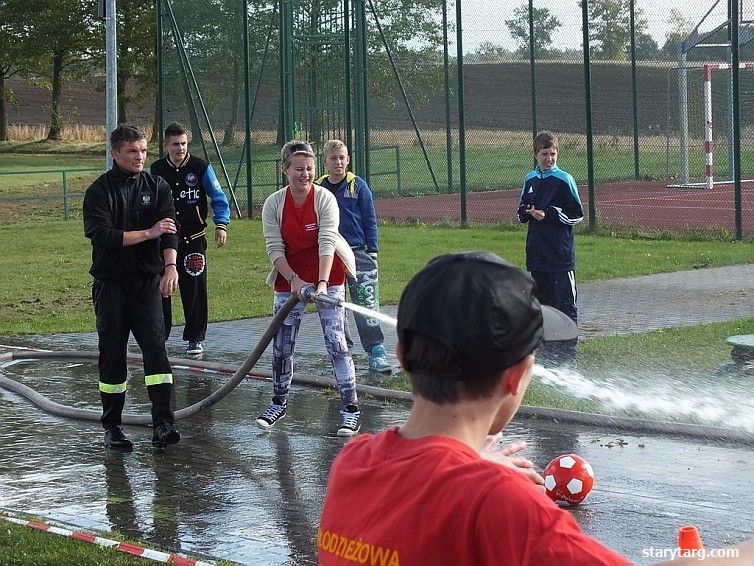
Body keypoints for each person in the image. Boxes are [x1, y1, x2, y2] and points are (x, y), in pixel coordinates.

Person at [318, 251, 631, 565]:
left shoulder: (353, 462)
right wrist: (482, 479)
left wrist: (466, 464)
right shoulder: (504, 505)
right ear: (517, 376)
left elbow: (419, 491)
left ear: (401, 356)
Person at [83, 124, 181, 451]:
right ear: (115, 153)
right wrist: (147, 233)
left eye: (142, 150)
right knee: (113, 356)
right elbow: (104, 237)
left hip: (148, 284)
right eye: (131, 151)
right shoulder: (99, 191)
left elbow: (168, 230)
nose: (139, 157)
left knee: (156, 350)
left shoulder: (158, 187)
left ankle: (163, 424)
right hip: (111, 286)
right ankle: (112, 427)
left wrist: (170, 268)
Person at [256, 140, 360, 436]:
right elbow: (274, 248)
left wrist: (324, 284)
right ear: (285, 170)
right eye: (299, 169)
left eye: (310, 168)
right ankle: (278, 402)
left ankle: (350, 409)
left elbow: (328, 240)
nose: (305, 174)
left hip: (328, 271)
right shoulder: (274, 204)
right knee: (282, 343)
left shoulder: (324, 198)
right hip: (290, 275)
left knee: (336, 342)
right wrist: (294, 281)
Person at [150, 121, 230, 357]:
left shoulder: (201, 167)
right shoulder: (156, 170)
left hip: (193, 238)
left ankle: (195, 338)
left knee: (194, 288)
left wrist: (221, 225)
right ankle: (159, 336)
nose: (180, 149)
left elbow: (218, 197)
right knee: (161, 288)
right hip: (163, 240)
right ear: (166, 145)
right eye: (175, 144)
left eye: (183, 144)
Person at [315, 139, 391, 374]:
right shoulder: (318, 188)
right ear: (325, 161)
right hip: (329, 253)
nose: (338, 162)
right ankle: (341, 351)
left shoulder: (358, 186)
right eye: (333, 158)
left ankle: (376, 350)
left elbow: (370, 219)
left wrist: (373, 251)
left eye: (342, 158)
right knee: (334, 305)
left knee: (365, 302)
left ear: (348, 159)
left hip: (358, 252)